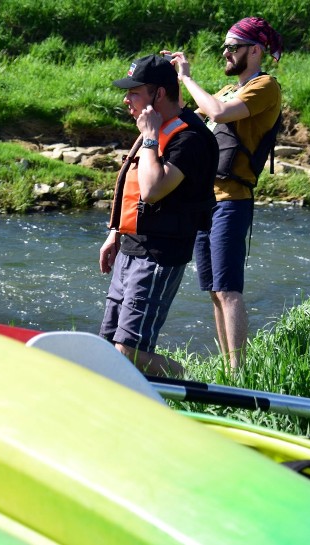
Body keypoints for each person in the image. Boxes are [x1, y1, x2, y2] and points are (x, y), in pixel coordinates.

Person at [168, 17, 283, 370]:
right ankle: (227, 366)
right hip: (206, 199)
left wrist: (188, 77)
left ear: (254, 50)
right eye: (225, 47)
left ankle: (240, 373)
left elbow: (217, 112)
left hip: (233, 199)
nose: (225, 53)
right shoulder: (228, 89)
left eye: (232, 47)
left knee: (229, 290)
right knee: (215, 291)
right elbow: (190, 116)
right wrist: (167, 82)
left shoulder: (265, 87)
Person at [98, 55, 218, 377]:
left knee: (130, 352)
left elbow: (152, 190)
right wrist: (115, 232)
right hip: (131, 246)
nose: (127, 100)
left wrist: (150, 136)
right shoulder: (153, 127)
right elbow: (130, 181)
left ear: (159, 95)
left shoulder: (189, 139)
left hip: (160, 254)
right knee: (107, 346)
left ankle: (192, 383)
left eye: (134, 92)